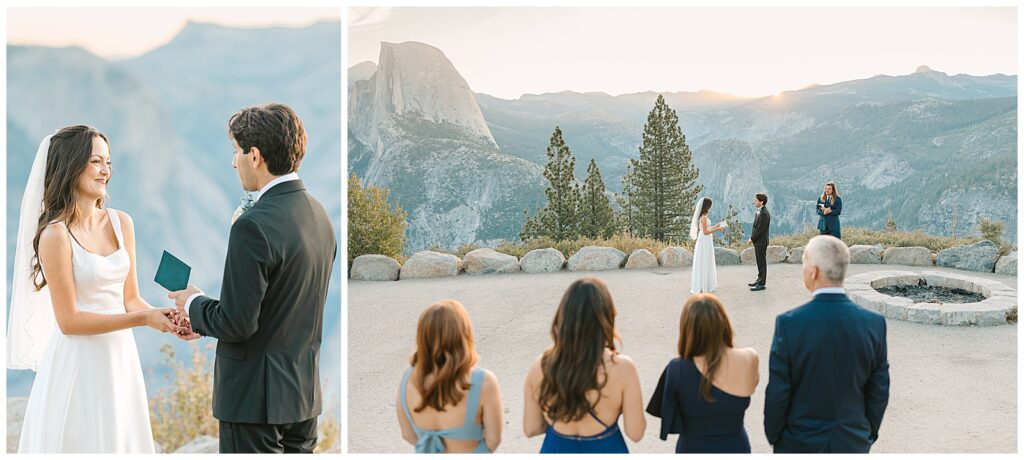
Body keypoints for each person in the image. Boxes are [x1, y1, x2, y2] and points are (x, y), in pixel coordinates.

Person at [168, 104, 337, 453]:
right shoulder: (319, 215)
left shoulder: (253, 225)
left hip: (253, 402)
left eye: (236, 152)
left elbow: (237, 324)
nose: (234, 162)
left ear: (255, 156)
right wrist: (201, 315)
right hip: (302, 398)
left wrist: (193, 304)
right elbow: (283, 307)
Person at [9, 125, 185, 453]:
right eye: (95, 161)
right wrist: (144, 319)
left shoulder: (122, 223)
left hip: (119, 359)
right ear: (71, 165)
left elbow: (130, 298)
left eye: (108, 162)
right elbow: (69, 321)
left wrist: (168, 318)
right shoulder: (55, 236)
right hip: (78, 362)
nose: (105, 170)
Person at [764, 235, 890, 453]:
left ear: (814, 271)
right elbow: (878, 390)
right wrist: (866, 434)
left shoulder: (789, 324)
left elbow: (778, 391)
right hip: (852, 442)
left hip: (798, 444)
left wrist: (776, 437)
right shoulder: (874, 324)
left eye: (804, 264)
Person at [524, 278, 645, 453]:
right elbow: (636, 433)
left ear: (563, 316)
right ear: (606, 317)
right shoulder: (623, 368)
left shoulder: (541, 366)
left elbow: (531, 428)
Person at [647, 294, 758, 453]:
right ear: (724, 323)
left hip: (692, 448)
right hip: (735, 446)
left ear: (687, 328)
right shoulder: (749, 358)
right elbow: (752, 386)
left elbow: (667, 410)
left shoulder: (676, 369)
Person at [396, 300, 503, 453]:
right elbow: (494, 439)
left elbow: (407, 434)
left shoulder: (407, 379)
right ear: (463, 333)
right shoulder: (484, 381)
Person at [689, 197, 725, 294]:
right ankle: (705, 284)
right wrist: (717, 229)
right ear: (707, 206)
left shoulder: (703, 216)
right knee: (705, 260)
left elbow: (706, 228)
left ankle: (705, 283)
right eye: (710, 206)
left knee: (705, 260)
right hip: (704, 240)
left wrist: (716, 226)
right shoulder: (704, 217)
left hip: (705, 240)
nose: (711, 207)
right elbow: (705, 232)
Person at [748, 193, 771, 292]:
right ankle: (759, 279)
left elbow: (760, 229)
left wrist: (752, 238)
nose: (754, 201)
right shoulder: (760, 212)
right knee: (759, 261)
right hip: (758, 241)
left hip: (761, 242)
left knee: (762, 262)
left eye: (756, 200)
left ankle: (762, 283)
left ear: (761, 202)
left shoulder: (764, 214)